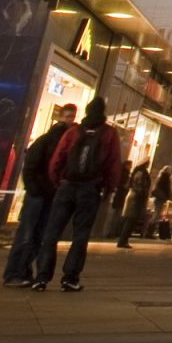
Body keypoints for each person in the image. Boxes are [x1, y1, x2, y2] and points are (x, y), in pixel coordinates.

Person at [35, 98, 127, 291]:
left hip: (67, 186)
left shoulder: (73, 132)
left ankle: (42, 276)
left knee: (52, 232)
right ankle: (70, 277)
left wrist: (58, 181)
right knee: (81, 234)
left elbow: (57, 159)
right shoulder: (109, 134)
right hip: (90, 189)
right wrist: (109, 189)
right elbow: (114, 164)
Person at [3, 105, 76, 286]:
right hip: (39, 195)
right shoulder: (46, 142)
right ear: (60, 117)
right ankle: (15, 273)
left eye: (71, 117)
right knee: (28, 234)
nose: (69, 120)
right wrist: (35, 189)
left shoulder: (61, 144)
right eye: (66, 117)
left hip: (48, 195)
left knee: (36, 235)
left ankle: (22, 271)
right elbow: (30, 168)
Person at [113, 157, 152, 249]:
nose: (149, 164)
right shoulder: (141, 173)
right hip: (135, 198)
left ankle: (123, 240)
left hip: (135, 197)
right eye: (148, 163)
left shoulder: (139, 172)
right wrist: (143, 194)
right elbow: (139, 186)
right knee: (130, 220)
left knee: (130, 220)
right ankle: (122, 241)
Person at [150, 166, 172, 240]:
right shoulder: (165, 177)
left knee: (157, 213)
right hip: (161, 197)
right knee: (157, 214)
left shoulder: (160, 176)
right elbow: (167, 188)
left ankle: (150, 232)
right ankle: (150, 232)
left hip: (158, 197)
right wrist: (169, 196)